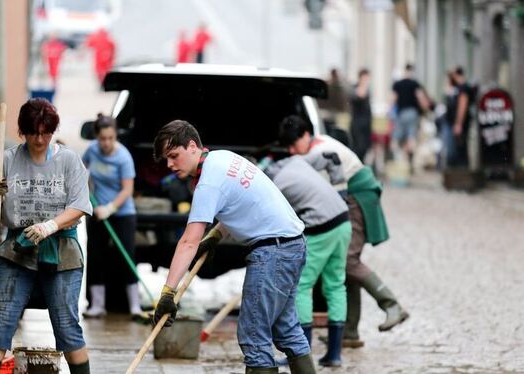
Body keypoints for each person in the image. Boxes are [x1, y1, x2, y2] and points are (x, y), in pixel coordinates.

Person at [151, 120, 315, 374]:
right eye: (166, 159)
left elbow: (188, 241)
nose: (170, 165)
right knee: (286, 330)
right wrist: (216, 236)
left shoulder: (207, 182)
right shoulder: (223, 158)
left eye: (174, 156)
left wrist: (167, 293)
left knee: (253, 334)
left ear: (192, 146)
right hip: (292, 245)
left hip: (273, 252)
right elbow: (239, 202)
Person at [0, 98, 93, 374]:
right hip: (17, 250)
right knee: (1, 321)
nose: (39, 139)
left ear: (52, 131)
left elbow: (79, 206)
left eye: (45, 132)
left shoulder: (68, 161)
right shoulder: (5, 162)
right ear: (22, 132)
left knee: (66, 323)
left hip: (61, 251)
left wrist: (49, 226)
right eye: (33, 132)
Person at [278, 115, 408, 349]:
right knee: (344, 266)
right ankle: (349, 331)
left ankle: (391, 305)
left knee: (347, 261)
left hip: (356, 197)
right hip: (352, 196)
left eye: (293, 145)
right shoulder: (320, 142)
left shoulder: (318, 153)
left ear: (306, 135)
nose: (291, 151)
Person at [264, 155, 352, 367]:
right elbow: (332, 158)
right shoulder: (297, 161)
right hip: (344, 220)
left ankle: (302, 352)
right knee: (335, 285)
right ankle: (334, 355)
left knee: (302, 285)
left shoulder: (274, 185)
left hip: (323, 227)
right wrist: (343, 192)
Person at [81, 114, 141, 318]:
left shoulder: (123, 156)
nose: (106, 143)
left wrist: (110, 208)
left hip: (122, 213)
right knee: (96, 257)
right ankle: (97, 305)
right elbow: (81, 171)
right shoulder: (92, 151)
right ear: (97, 137)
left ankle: (135, 306)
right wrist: (87, 193)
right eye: (102, 138)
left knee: (126, 257)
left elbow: (127, 190)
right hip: (98, 213)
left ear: (115, 136)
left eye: (110, 138)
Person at [391, 63, 430, 169]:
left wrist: (390, 112)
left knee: (397, 137)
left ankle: (398, 160)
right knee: (411, 137)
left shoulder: (397, 84)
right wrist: (426, 109)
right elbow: (421, 97)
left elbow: (393, 99)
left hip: (401, 114)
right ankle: (408, 161)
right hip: (412, 113)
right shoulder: (415, 84)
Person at [446, 66, 471, 167]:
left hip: (461, 123)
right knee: (458, 147)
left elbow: (462, 105)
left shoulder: (463, 88)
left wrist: (458, 123)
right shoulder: (457, 88)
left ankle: (462, 169)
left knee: (461, 147)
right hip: (456, 122)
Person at [350, 68, 373, 162]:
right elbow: (360, 95)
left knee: (365, 148)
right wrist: (363, 84)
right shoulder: (356, 88)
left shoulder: (367, 89)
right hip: (358, 124)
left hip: (366, 125)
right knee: (358, 148)